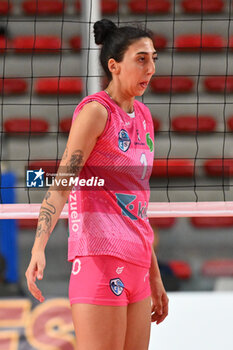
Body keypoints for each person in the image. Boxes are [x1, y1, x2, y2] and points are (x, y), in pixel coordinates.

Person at [25, 19, 169, 350]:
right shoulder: (95, 112)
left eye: (153, 58)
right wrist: (38, 247)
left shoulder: (144, 118)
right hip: (99, 259)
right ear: (114, 66)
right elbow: (61, 184)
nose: (150, 68)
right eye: (141, 58)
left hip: (137, 263)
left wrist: (155, 276)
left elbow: (137, 207)